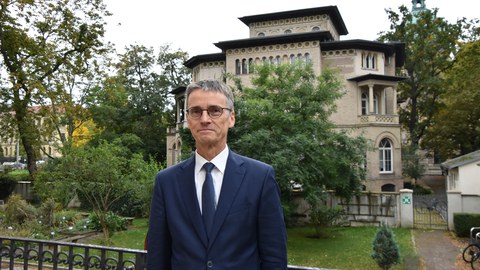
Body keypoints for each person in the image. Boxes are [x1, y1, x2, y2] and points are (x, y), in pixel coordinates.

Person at [147, 80, 287, 269]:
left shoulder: (260, 177)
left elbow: (274, 258)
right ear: (188, 120)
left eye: (214, 110)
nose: (204, 119)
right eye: (196, 111)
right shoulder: (166, 182)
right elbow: (157, 258)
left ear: (231, 118)